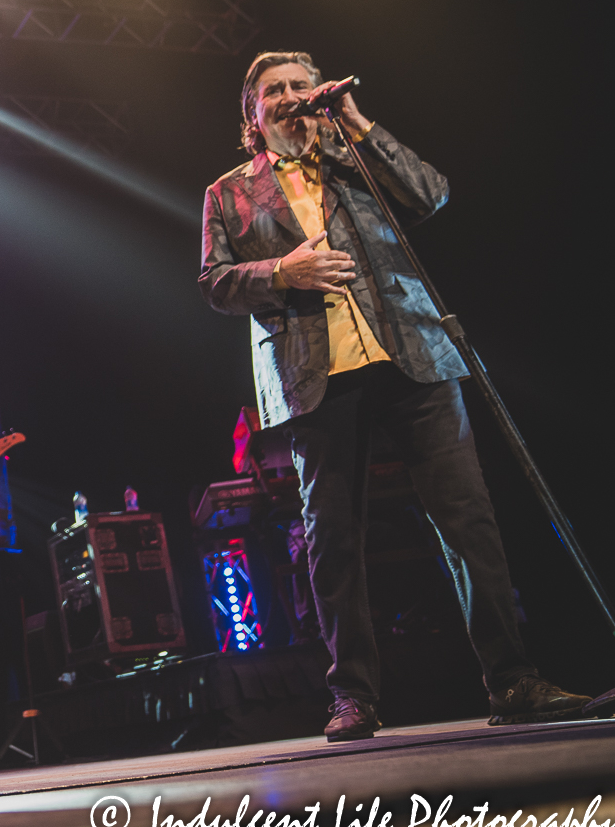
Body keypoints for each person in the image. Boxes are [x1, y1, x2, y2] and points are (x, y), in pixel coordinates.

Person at [199, 51, 591, 741]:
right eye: (275, 91)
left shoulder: (356, 155)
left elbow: (431, 192)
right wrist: (282, 270)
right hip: (314, 376)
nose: (291, 97)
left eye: (300, 85)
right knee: (334, 543)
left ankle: (513, 679)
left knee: (468, 520)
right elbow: (215, 283)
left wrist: (356, 121)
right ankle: (353, 696)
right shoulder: (229, 192)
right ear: (252, 114)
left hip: (413, 354)